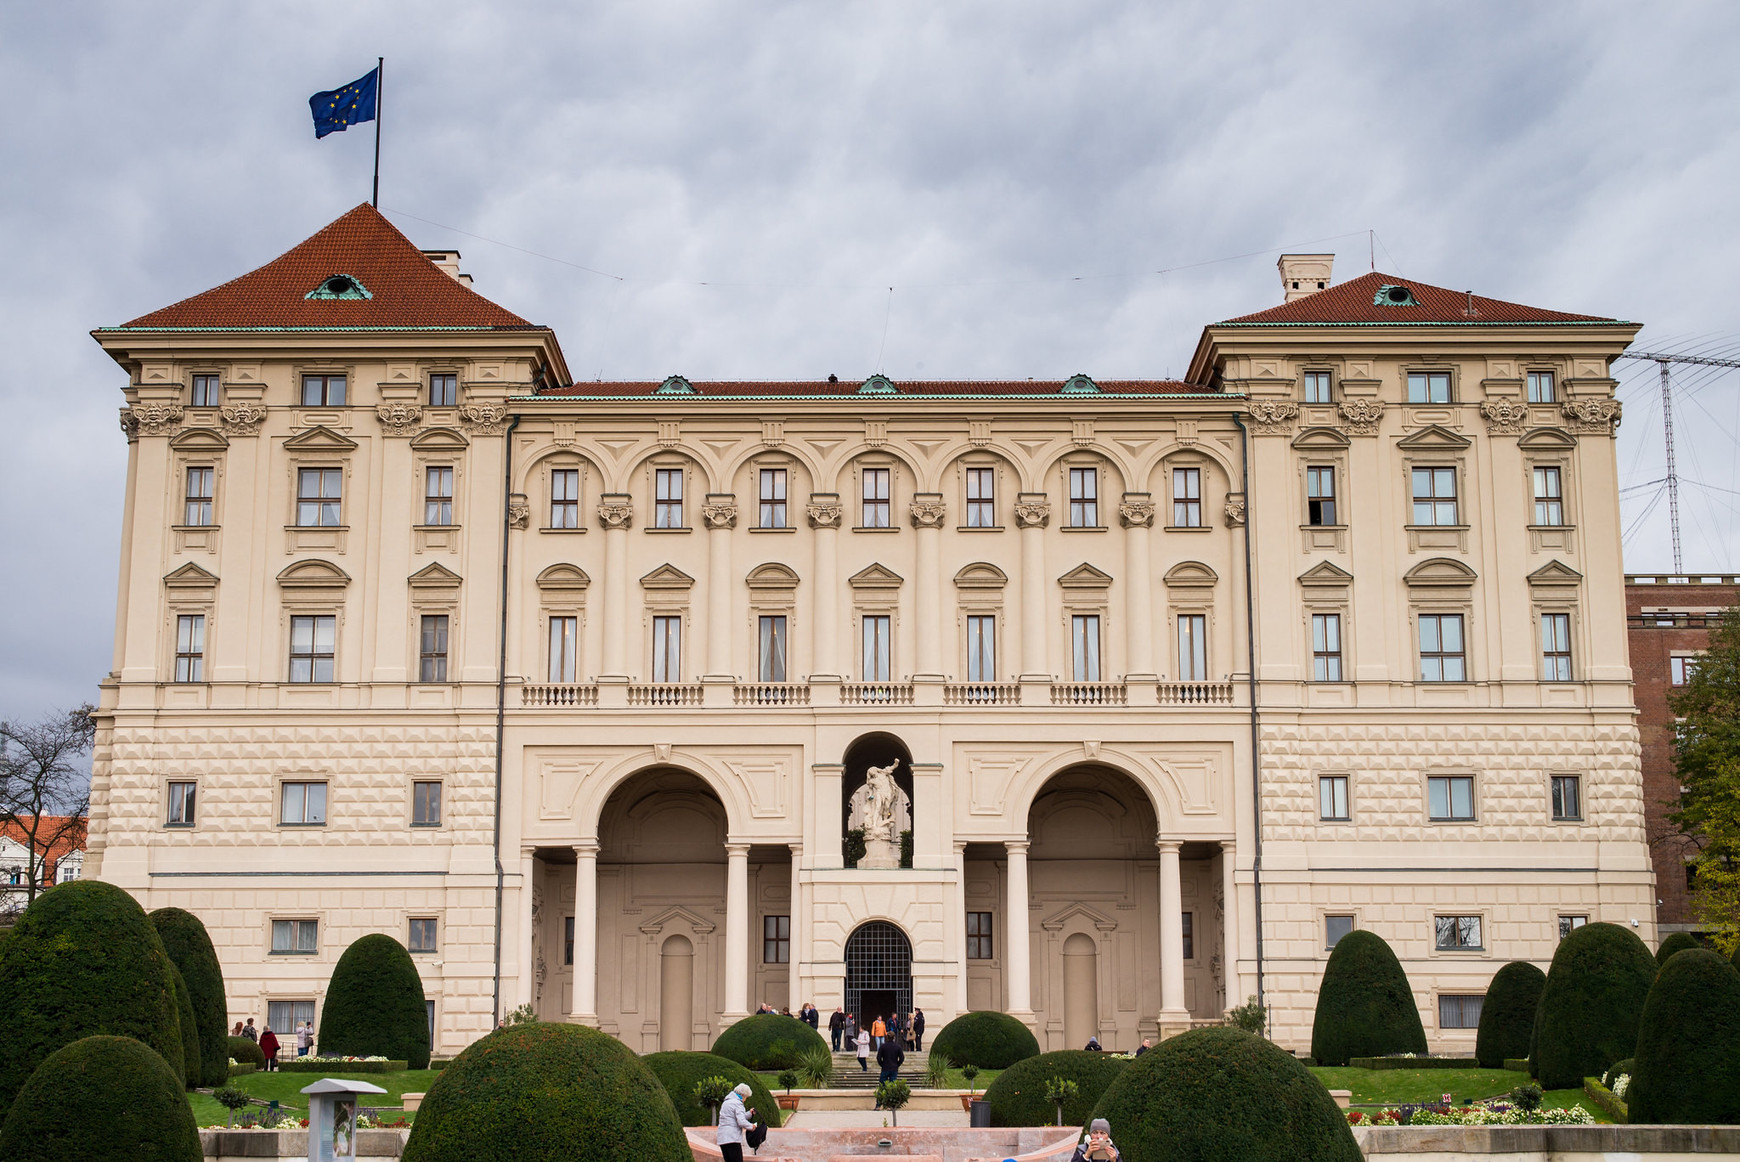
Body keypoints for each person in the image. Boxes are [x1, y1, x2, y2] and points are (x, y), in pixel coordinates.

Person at [716, 1082, 759, 1162]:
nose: (745, 1099)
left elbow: (734, 1118)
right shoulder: (738, 1103)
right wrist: (751, 1126)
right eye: (746, 1097)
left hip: (722, 1138)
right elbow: (741, 1121)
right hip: (732, 1138)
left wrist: (749, 1113)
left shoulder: (727, 1102)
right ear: (743, 1095)